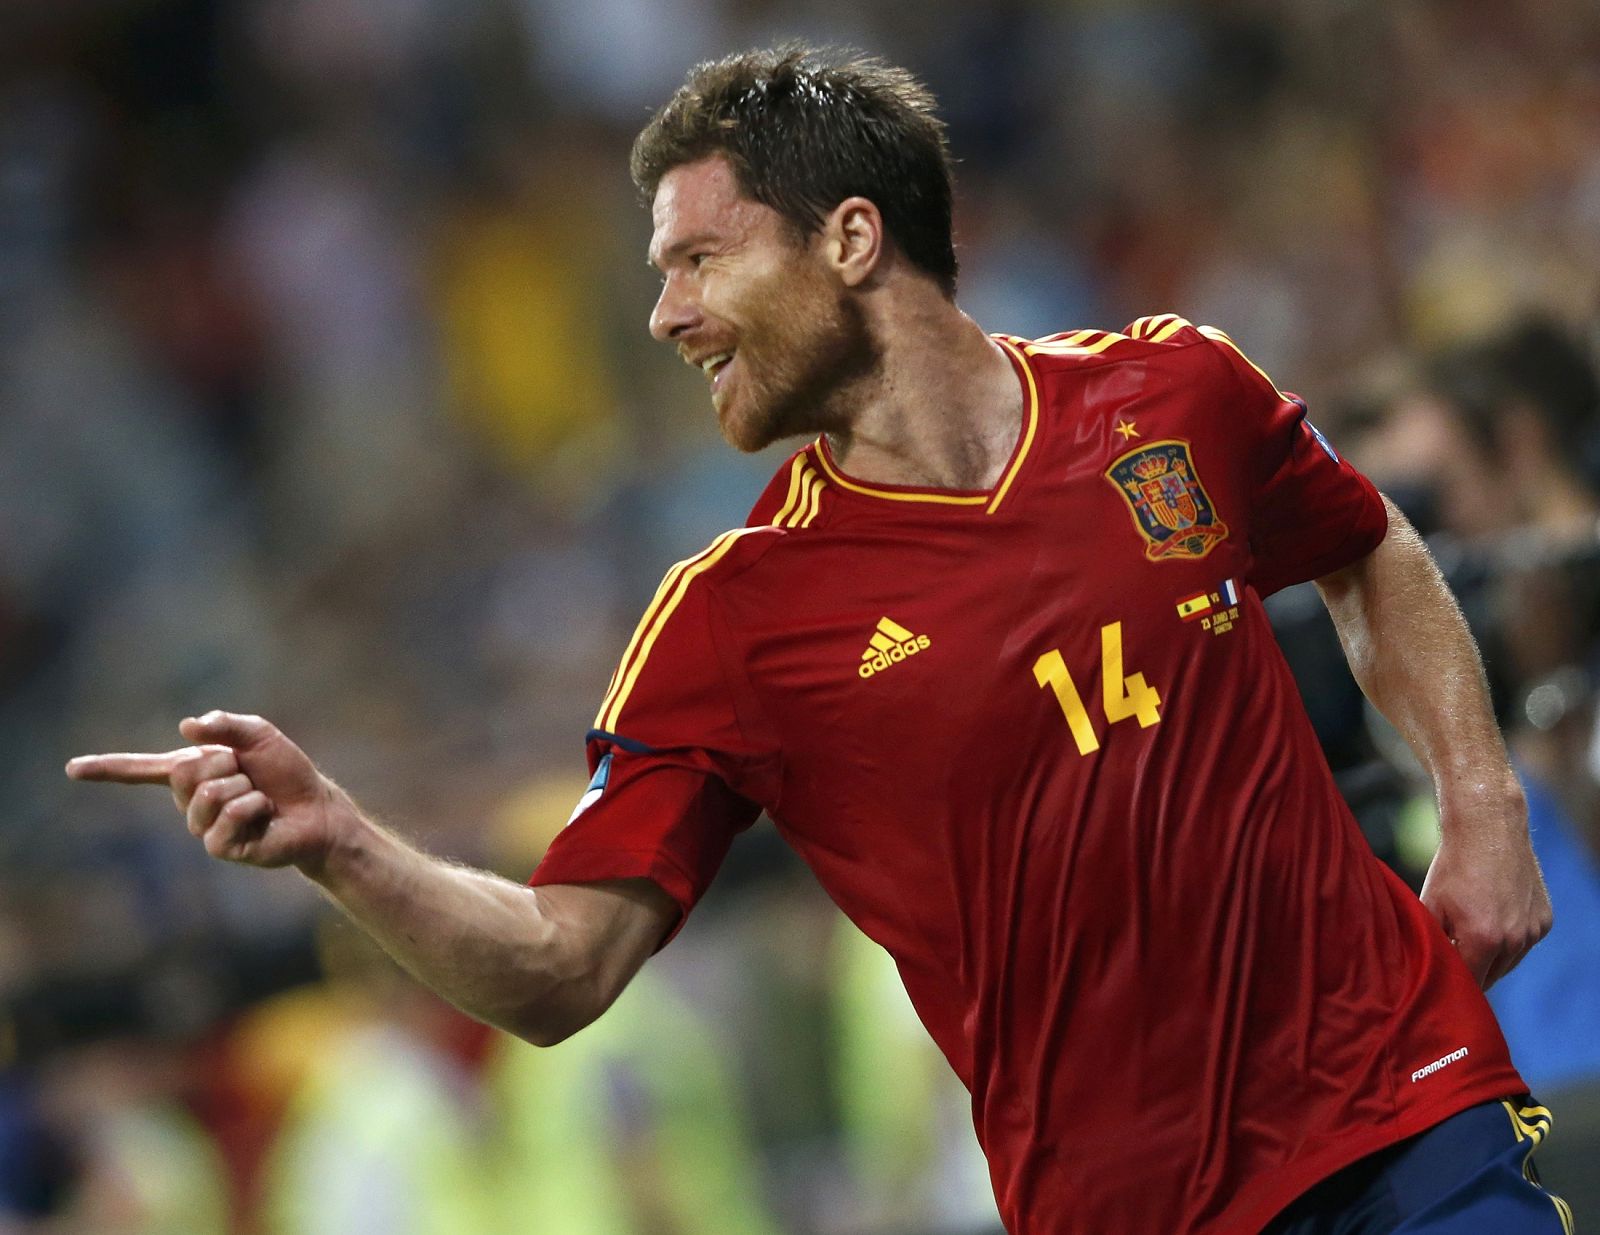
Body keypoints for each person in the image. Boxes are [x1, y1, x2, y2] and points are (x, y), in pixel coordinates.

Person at [67, 45, 1567, 1235]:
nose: (665, 315)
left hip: (1399, 1107)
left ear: (851, 238)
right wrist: (341, 842)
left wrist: (1487, 812)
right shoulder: (732, 621)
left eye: (699, 260)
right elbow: (561, 968)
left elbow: (1373, 551)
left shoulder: (1171, 394)